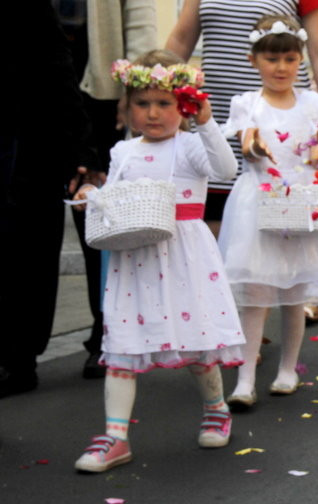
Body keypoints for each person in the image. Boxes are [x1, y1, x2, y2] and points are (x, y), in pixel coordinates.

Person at [71, 50, 245, 472]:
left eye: (164, 103)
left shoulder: (190, 146)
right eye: (142, 103)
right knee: (122, 344)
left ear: (182, 106)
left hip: (185, 256)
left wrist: (205, 121)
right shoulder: (122, 152)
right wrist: (91, 197)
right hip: (134, 258)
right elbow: (115, 198)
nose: (153, 113)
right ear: (127, 108)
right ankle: (115, 438)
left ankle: (217, 408)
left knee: (197, 339)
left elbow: (225, 168)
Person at [217, 15, 318, 408]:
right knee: (256, 295)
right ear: (254, 61)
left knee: (295, 292)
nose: (281, 68)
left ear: (300, 61)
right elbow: (248, 143)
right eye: (271, 59)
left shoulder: (317, 105)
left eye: (289, 59)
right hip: (257, 207)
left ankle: (287, 368)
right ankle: (244, 379)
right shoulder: (248, 104)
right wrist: (256, 147)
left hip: (302, 205)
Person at [56, 0, 158, 379]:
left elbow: (140, 20)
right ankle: (17, 347)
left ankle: (108, 327)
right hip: (40, 88)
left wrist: (133, 88)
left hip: (99, 91)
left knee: (98, 217)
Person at [0, 1, 96, 398]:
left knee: (31, 249)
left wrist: (79, 148)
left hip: (30, 140)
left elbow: (58, 68)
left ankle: (20, 359)